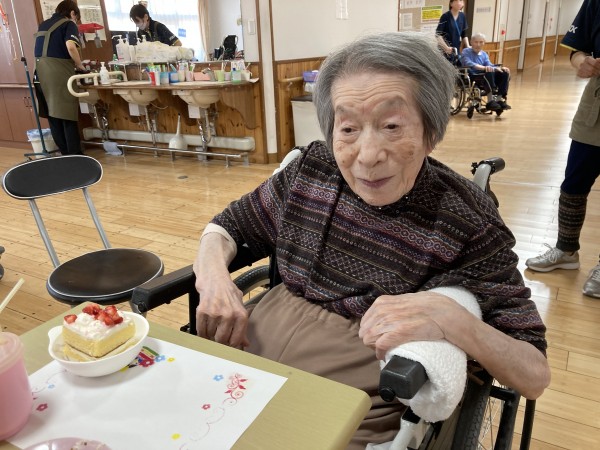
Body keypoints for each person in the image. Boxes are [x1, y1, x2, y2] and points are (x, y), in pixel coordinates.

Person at [193, 31, 550, 449]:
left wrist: (455, 321)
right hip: (246, 357)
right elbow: (227, 228)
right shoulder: (312, 170)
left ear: (431, 130)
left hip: (354, 395)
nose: (366, 155)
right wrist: (213, 280)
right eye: (348, 128)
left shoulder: (464, 220)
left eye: (391, 126)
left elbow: (533, 375)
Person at [525, 0, 600, 298]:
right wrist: (581, 61)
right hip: (595, 105)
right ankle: (567, 251)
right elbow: (577, 49)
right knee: (573, 183)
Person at [34, 0, 86, 155]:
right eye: (76, 18)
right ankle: (75, 156)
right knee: (67, 115)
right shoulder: (68, 24)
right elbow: (71, 46)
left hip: (39, 75)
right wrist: (80, 65)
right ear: (72, 13)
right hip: (57, 74)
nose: (75, 20)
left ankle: (64, 155)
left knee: (53, 116)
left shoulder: (43, 24)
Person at [461, 32, 511, 111]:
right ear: (471, 42)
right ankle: (490, 101)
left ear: (484, 43)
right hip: (473, 75)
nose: (478, 45)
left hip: (485, 75)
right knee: (489, 71)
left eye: (481, 42)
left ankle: (499, 99)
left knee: (504, 73)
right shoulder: (466, 51)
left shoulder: (484, 54)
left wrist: (500, 68)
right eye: (476, 42)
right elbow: (469, 63)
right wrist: (484, 68)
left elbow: (489, 65)